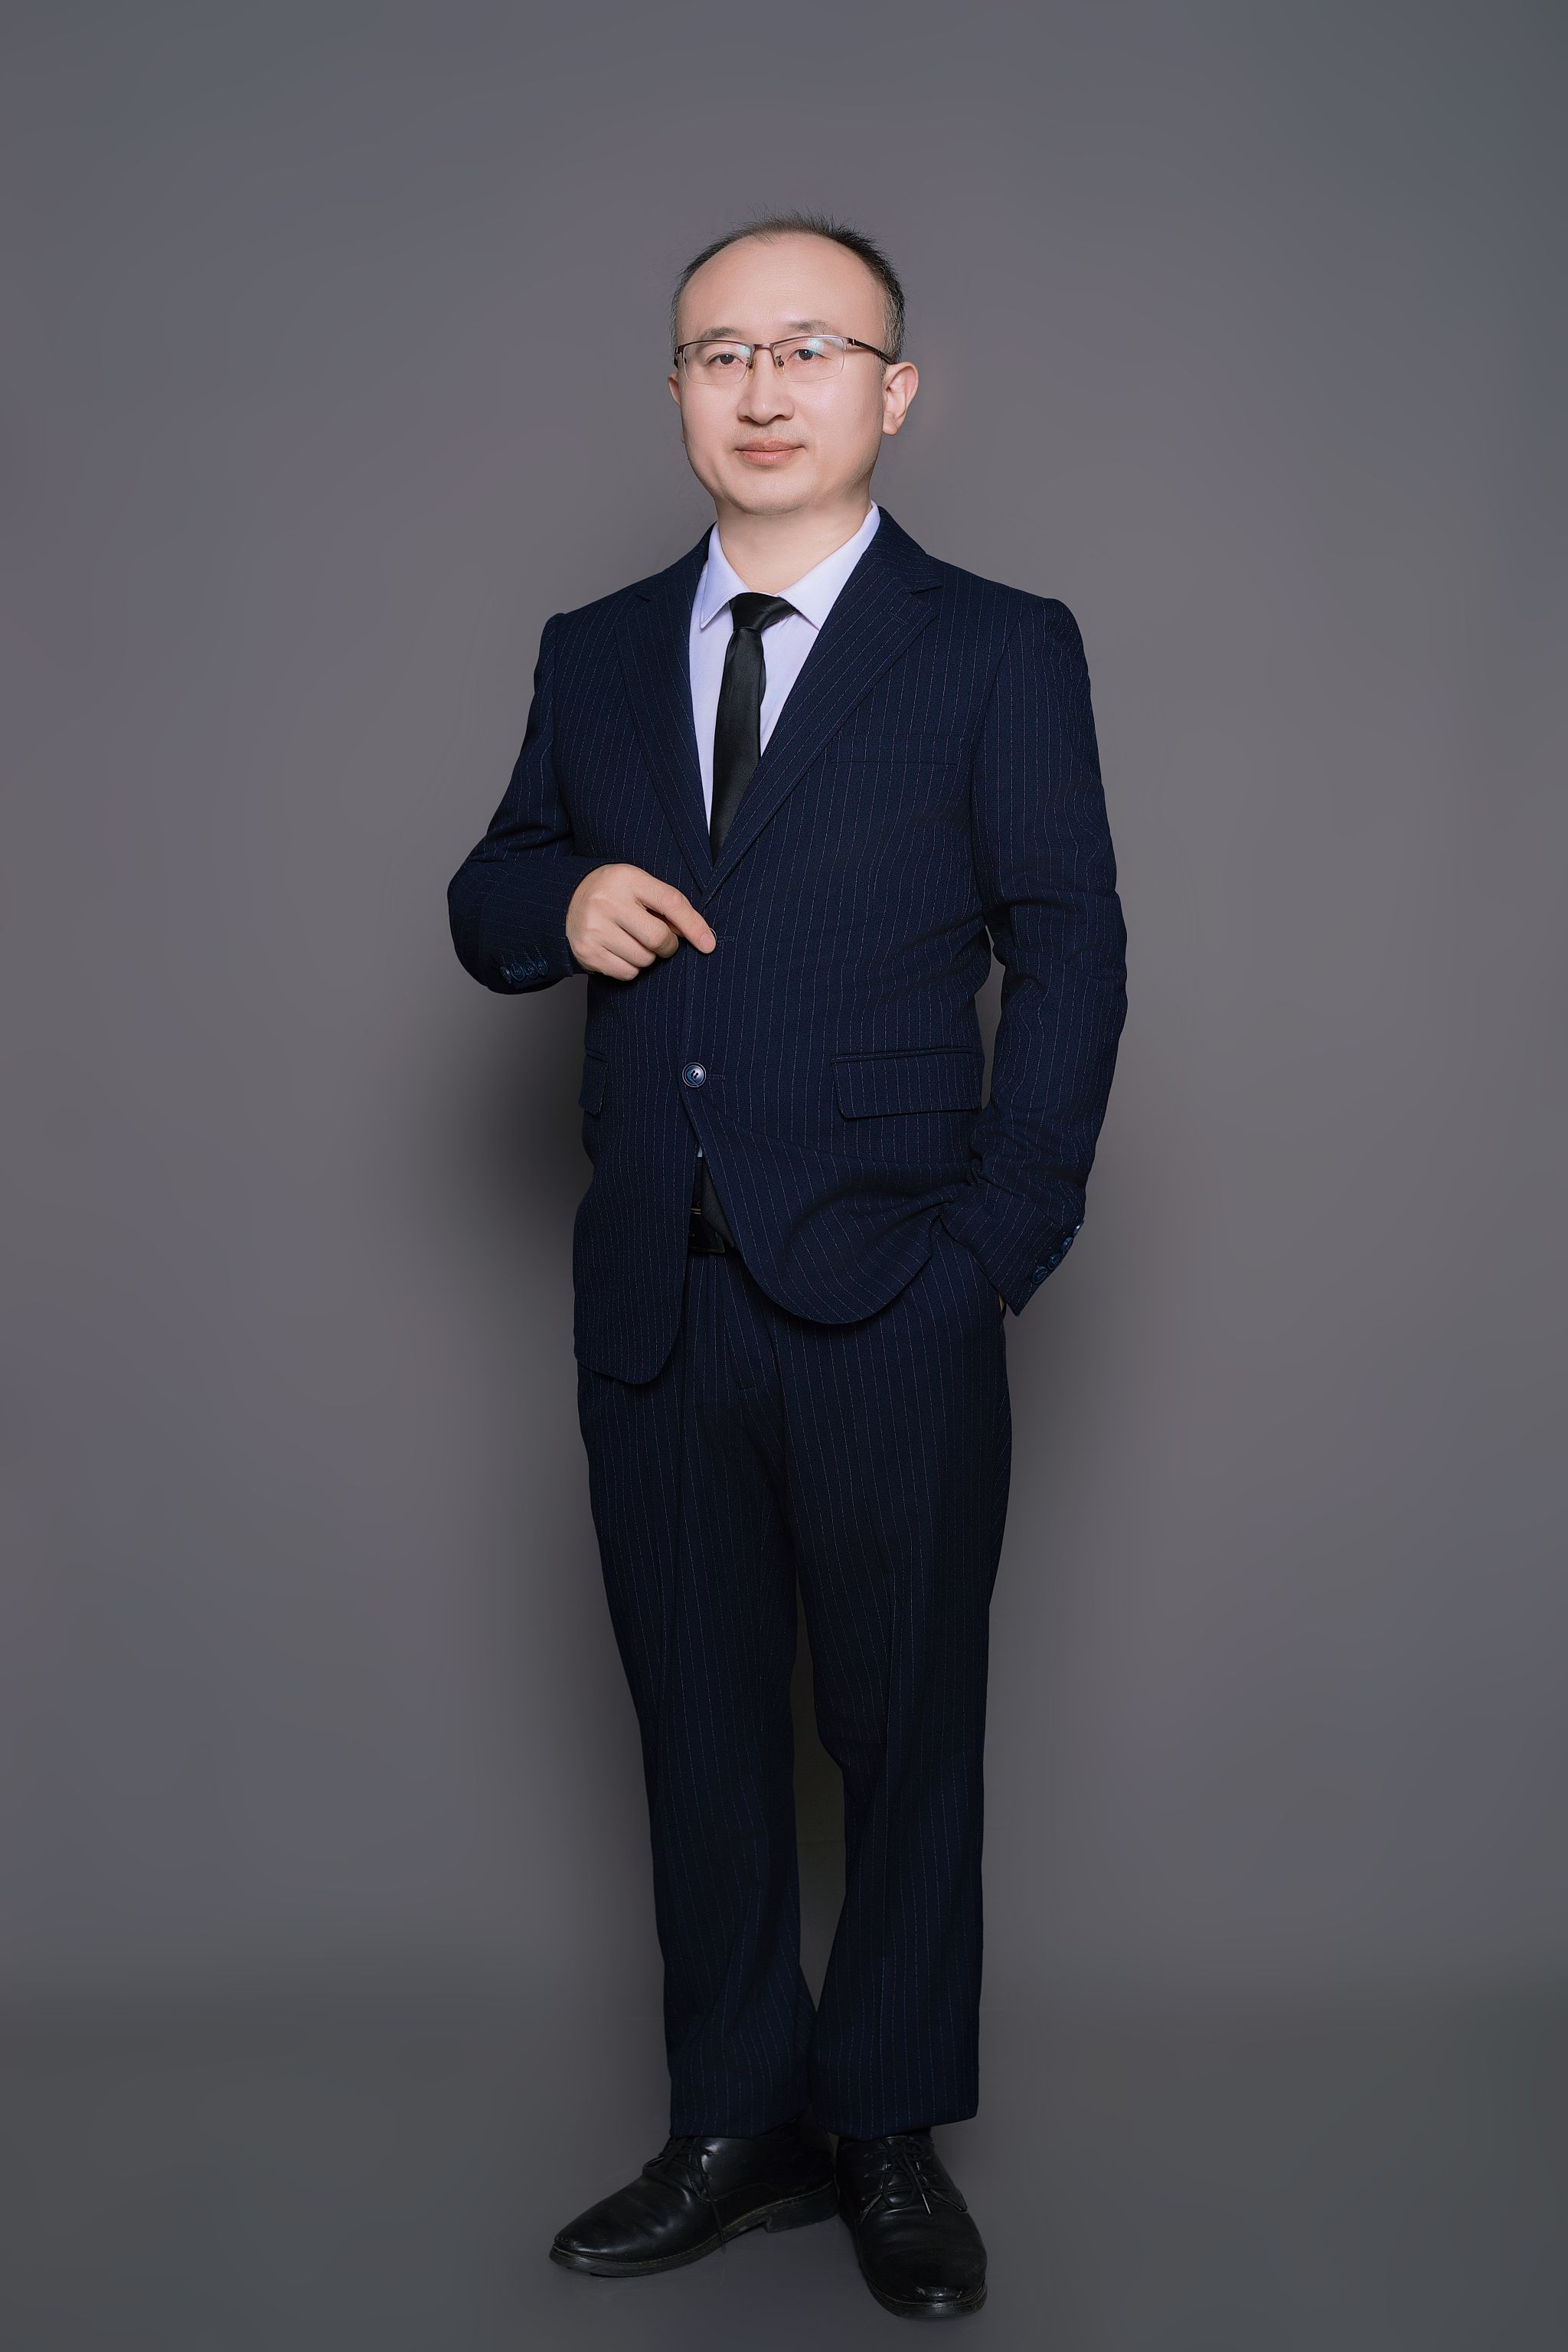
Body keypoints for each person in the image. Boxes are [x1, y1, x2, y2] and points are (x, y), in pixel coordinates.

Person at [446, 209, 1126, 2323]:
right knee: (701, 1731)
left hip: (893, 1291)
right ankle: (735, 2126)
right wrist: (560, 903)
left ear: (891, 392)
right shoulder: (590, 647)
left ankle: (891, 2132)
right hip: (656, 1296)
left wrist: (997, 1245)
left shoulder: (996, 646)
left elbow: (1074, 952)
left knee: (906, 1731)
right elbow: (490, 883)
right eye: (720, 352)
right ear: (676, 391)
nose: (763, 388)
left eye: (810, 349)